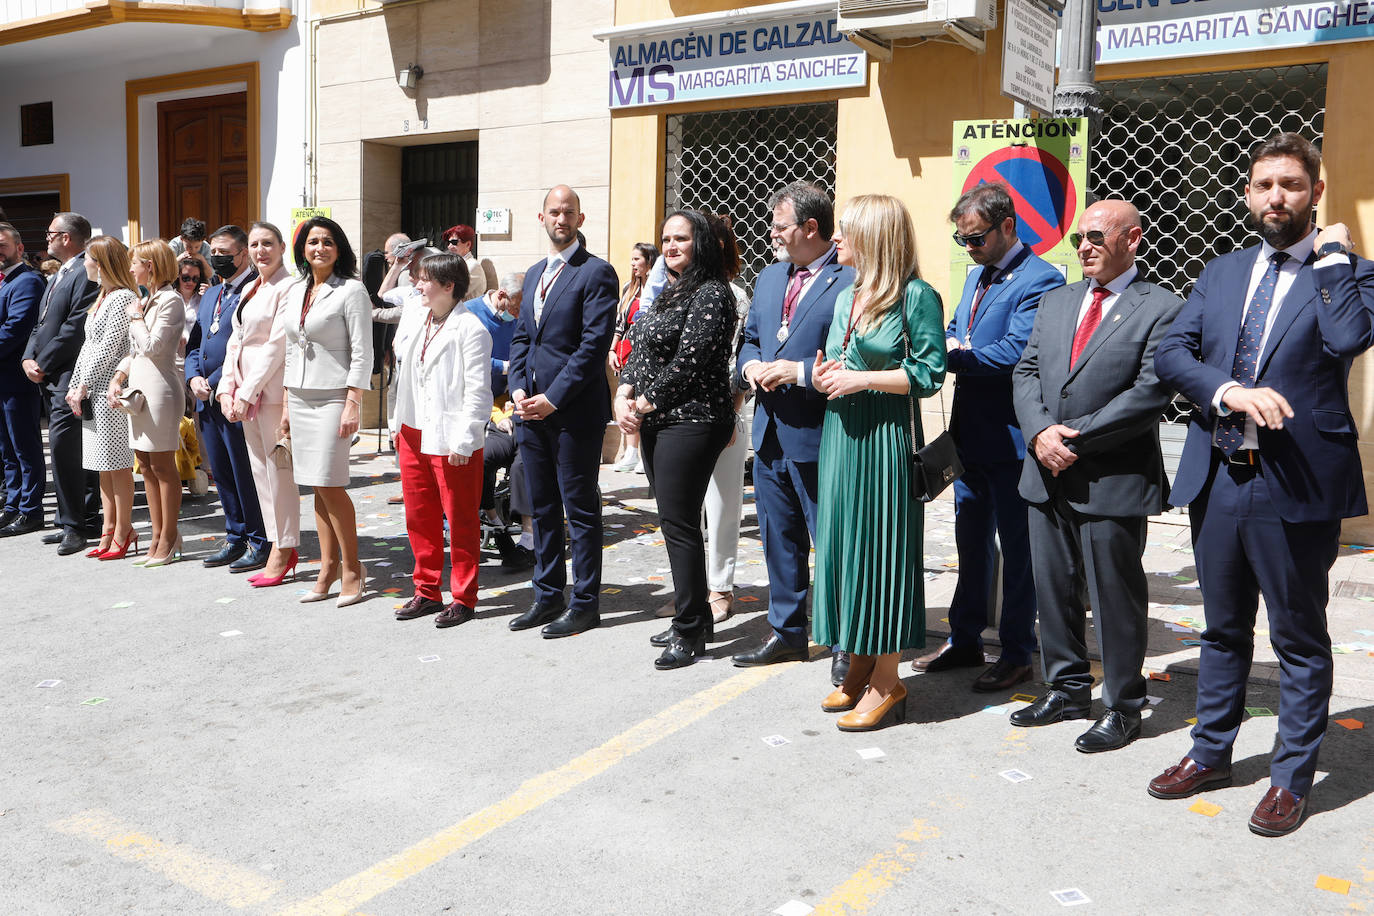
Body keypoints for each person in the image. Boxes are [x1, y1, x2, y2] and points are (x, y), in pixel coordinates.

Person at [1148, 133, 1374, 836]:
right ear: (1247, 194)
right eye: (1264, 184)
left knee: (1299, 636)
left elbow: (1347, 340)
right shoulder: (1220, 272)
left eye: (1291, 185)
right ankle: (1210, 752)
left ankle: (1289, 779)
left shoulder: (1352, 273)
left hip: (1297, 482)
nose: (1276, 196)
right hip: (1220, 475)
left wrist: (1334, 256)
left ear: (1315, 194)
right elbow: (1171, 354)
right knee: (1222, 628)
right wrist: (1229, 392)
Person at [1008, 200, 1184, 751]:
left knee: (1114, 597)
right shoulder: (1058, 300)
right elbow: (1028, 369)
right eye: (1079, 238)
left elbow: (1150, 391)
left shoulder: (1162, 306)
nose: (1083, 247)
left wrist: (1072, 439)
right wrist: (1040, 433)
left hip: (1112, 476)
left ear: (1132, 239)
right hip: (1046, 470)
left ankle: (1124, 705)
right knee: (1052, 587)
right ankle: (1065, 688)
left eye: (1096, 238)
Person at [913, 182, 1065, 692]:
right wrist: (952, 342)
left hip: (1014, 441)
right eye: (962, 240)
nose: (969, 248)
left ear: (1007, 227)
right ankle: (965, 638)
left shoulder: (1041, 279)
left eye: (975, 239)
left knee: (1017, 550)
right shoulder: (977, 275)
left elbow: (1013, 353)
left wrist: (944, 356)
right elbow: (958, 326)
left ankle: (1018, 650)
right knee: (970, 543)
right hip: (969, 436)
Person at [810, 194, 947, 731]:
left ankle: (888, 683)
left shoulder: (916, 297)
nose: (836, 239)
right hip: (842, 437)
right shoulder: (848, 296)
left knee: (882, 554)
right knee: (846, 551)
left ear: (875, 237)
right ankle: (861, 663)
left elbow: (931, 373)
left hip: (884, 442)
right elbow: (837, 364)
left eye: (845, 230)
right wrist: (825, 376)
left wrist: (862, 378)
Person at [731, 181, 855, 686]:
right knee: (777, 537)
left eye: (781, 225)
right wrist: (752, 367)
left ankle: (846, 639)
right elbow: (752, 340)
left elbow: (850, 354)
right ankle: (787, 631)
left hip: (821, 431)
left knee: (831, 542)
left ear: (810, 227)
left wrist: (794, 370)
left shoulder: (850, 281)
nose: (773, 233)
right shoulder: (767, 279)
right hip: (770, 434)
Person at [617, 210, 737, 669]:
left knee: (681, 524)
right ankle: (696, 614)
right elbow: (642, 347)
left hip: (694, 419)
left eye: (680, 239)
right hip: (657, 418)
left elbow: (691, 362)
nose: (670, 247)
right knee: (675, 521)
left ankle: (690, 630)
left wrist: (642, 404)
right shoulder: (670, 289)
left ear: (700, 243)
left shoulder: (712, 293)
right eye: (665, 239)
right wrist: (625, 392)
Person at [506, 185, 619, 638]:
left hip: (573, 412)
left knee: (580, 507)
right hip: (529, 411)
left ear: (580, 219)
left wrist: (552, 397)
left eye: (568, 212)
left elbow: (593, 347)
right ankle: (547, 594)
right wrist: (516, 390)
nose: (561, 218)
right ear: (541, 217)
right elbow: (521, 337)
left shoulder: (596, 273)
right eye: (554, 212)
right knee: (543, 506)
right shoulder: (534, 273)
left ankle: (586, 602)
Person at [390, 253, 492, 626]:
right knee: (420, 516)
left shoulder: (471, 329)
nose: (417, 286)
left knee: (460, 518)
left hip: (451, 436)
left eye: (425, 280)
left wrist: (465, 441)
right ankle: (426, 590)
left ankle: (464, 596)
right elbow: (401, 356)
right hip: (414, 427)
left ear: (449, 286)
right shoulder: (418, 315)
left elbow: (478, 392)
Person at [280, 216, 374, 607]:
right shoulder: (297, 289)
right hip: (300, 397)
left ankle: (352, 569)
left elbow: (362, 351)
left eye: (328, 242)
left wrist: (353, 402)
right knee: (316, 486)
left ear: (340, 249)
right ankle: (327, 567)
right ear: (303, 249)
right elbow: (289, 348)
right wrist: (285, 403)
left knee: (331, 485)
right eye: (312, 241)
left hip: (334, 397)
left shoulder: (352, 290)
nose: (319, 248)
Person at [217, 221, 299, 587]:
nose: (261, 251)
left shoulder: (290, 287)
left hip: (272, 391)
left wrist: (247, 391)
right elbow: (235, 341)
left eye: (268, 243)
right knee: (261, 475)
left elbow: (275, 346)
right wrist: (226, 389)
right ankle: (274, 541)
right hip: (244, 391)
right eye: (254, 244)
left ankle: (285, 546)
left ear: (282, 247)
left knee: (279, 474)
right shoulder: (250, 287)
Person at [187, 225, 269, 571]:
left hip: (236, 395)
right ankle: (235, 535)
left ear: (243, 254)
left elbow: (251, 347)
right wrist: (193, 377)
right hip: (206, 398)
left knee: (244, 471)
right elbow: (196, 343)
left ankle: (259, 539)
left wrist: (216, 380)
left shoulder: (255, 291)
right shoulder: (210, 295)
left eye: (225, 253)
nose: (218, 259)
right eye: (214, 253)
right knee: (220, 471)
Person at [22, 212, 101, 554]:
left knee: (66, 448)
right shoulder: (60, 274)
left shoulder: (86, 271)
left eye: (51, 233)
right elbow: (41, 324)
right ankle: (76, 517)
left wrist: (43, 361)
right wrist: (28, 356)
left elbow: (74, 328)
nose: (47, 238)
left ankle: (76, 525)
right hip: (50, 372)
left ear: (67, 238)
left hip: (70, 372)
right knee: (68, 449)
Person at [107, 240, 188, 566]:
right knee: (146, 465)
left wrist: (137, 318)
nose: (130, 269)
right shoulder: (146, 299)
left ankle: (167, 538)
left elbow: (154, 347)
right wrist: (118, 376)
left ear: (150, 266)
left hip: (161, 392)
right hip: (139, 390)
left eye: (135, 263)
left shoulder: (171, 300)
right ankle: (158, 534)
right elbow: (135, 351)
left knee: (164, 467)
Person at [65, 236, 136, 560]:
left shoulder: (122, 297)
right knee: (102, 466)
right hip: (94, 389)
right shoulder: (102, 297)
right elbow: (87, 347)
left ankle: (124, 529)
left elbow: (109, 348)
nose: (84, 264)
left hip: (112, 390)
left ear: (103, 262)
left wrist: (85, 384)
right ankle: (109, 529)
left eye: (88, 258)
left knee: (117, 465)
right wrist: (76, 383)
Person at [0, 224, 48, 537]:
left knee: (25, 449)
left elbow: (16, 329)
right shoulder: (4, 282)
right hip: (3, 381)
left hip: (17, 380)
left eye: (2, 244)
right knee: (7, 450)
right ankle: (14, 504)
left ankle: (31, 511)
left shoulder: (27, 281)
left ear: (19, 247)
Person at [609, 242, 658, 472]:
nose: (633, 264)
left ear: (649, 262)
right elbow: (620, 323)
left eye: (637, 259)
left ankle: (643, 454)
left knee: (642, 400)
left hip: (648, 353)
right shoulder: (629, 288)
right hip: (627, 352)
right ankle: (630, 452)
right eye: (631, 259)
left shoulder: (660, 287)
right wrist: (612, 350)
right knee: (626, 400)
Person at [466, 272, 524, 399]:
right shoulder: (468, 313)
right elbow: (466, 359)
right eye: (515, 308)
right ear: (502, 295)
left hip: (504, 397)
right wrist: (504, 367)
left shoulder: (518, 319)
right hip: (474, 397)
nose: (517, 316)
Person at [442, 224, 490, 300]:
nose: (449, 246)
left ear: (468, 244)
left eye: (454, 242)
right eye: (449, 243)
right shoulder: (454, 264)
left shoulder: (472, 265)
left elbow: (453, 293)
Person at [173, 256, 208, 343]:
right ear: (178, 276)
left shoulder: (203, 298)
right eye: (186, 278)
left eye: (195, 279)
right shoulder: (169, 297)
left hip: (194, 349)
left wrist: (209, 298)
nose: (190, 282)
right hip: (172, 351)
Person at [169, 217, 213, 282]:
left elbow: (209, 275)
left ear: (203, 240)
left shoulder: (206, 247)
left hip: (198, 282)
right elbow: (166, 271)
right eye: (189, 246)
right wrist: (179, 259)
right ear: (181, 239)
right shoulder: (174, 245)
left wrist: (202, 259)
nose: (193, 250)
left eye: (197, 247)